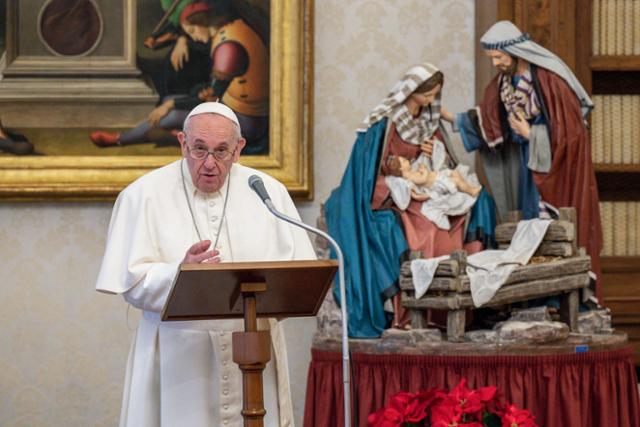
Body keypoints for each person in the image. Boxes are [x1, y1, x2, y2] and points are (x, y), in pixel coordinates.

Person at [95, 102, 315, 427]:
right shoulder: (143, 195)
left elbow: (297, 278)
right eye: (199, 149)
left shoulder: (269, 193)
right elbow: (132, 284)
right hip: (179, 361)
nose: (209, 163)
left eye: (221, 151)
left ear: (238, 150)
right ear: (183, 142)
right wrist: (179, 273)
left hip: (254, 353)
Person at [325, 63, 495, 337]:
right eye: (428, 94)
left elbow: (443, 162)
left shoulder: (429, 120)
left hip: (428, 184)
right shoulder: (387, 123)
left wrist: (433, 149)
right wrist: (399, 172)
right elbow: (373, 168)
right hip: (399, 190)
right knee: (428, 227)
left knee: (465, 209)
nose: (431, 100)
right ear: (413, 91)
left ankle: (461, 299)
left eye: (435, 95)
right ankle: (422, 308)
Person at [441, 20, 603, 301]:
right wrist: (454, 119)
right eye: (492, 58)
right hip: (526, 165)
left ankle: (559, 295)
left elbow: (572, 131)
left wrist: (533, 133)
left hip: (554, 167)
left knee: (551, 225)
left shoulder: (549, 80)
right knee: (528, 223)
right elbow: (491, 119)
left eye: (499, 57)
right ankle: (536, 295)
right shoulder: (505, 82)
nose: (496, 63)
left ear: (515, 51)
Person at [91, 1, 269, 154]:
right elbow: (192, 42)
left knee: (172, 111)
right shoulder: (230, 28)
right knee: (170, 100)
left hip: (246, 121)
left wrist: (171, 105)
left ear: (203, 21)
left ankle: (119, 139)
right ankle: (182, 134)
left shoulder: (227, 49)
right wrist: (178, 40)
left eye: (192, 30)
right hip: (233, 107)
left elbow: (211, 98)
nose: (192, 36)